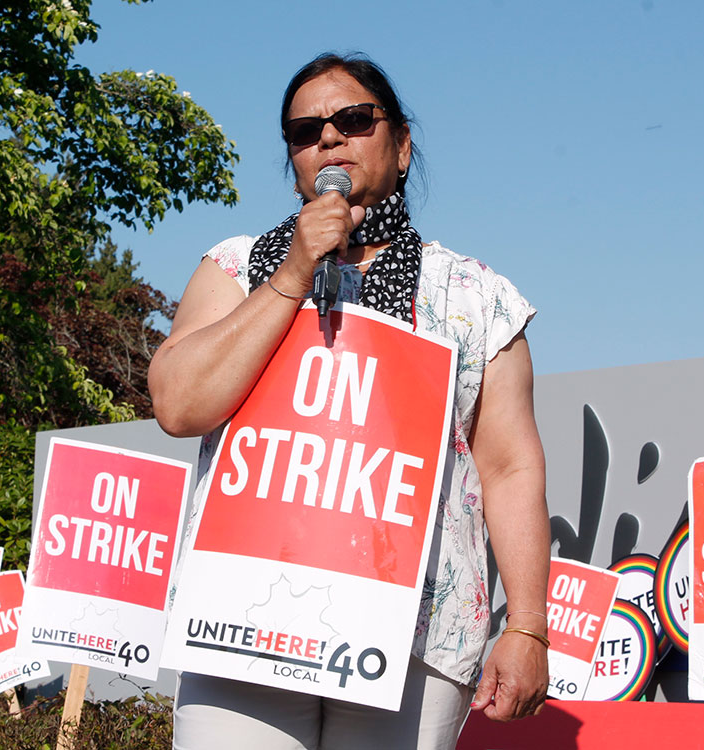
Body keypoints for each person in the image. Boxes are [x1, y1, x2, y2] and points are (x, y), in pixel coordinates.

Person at [149, 52, 550, 750]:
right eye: (305, 132)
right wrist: (296, 270)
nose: (328, 139)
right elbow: (180, 405)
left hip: (414, 634)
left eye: (353, 120)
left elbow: (510, 468)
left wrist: (528, 627)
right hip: (244, 616)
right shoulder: (238, 268)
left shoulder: (475, 296)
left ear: (400, 146)